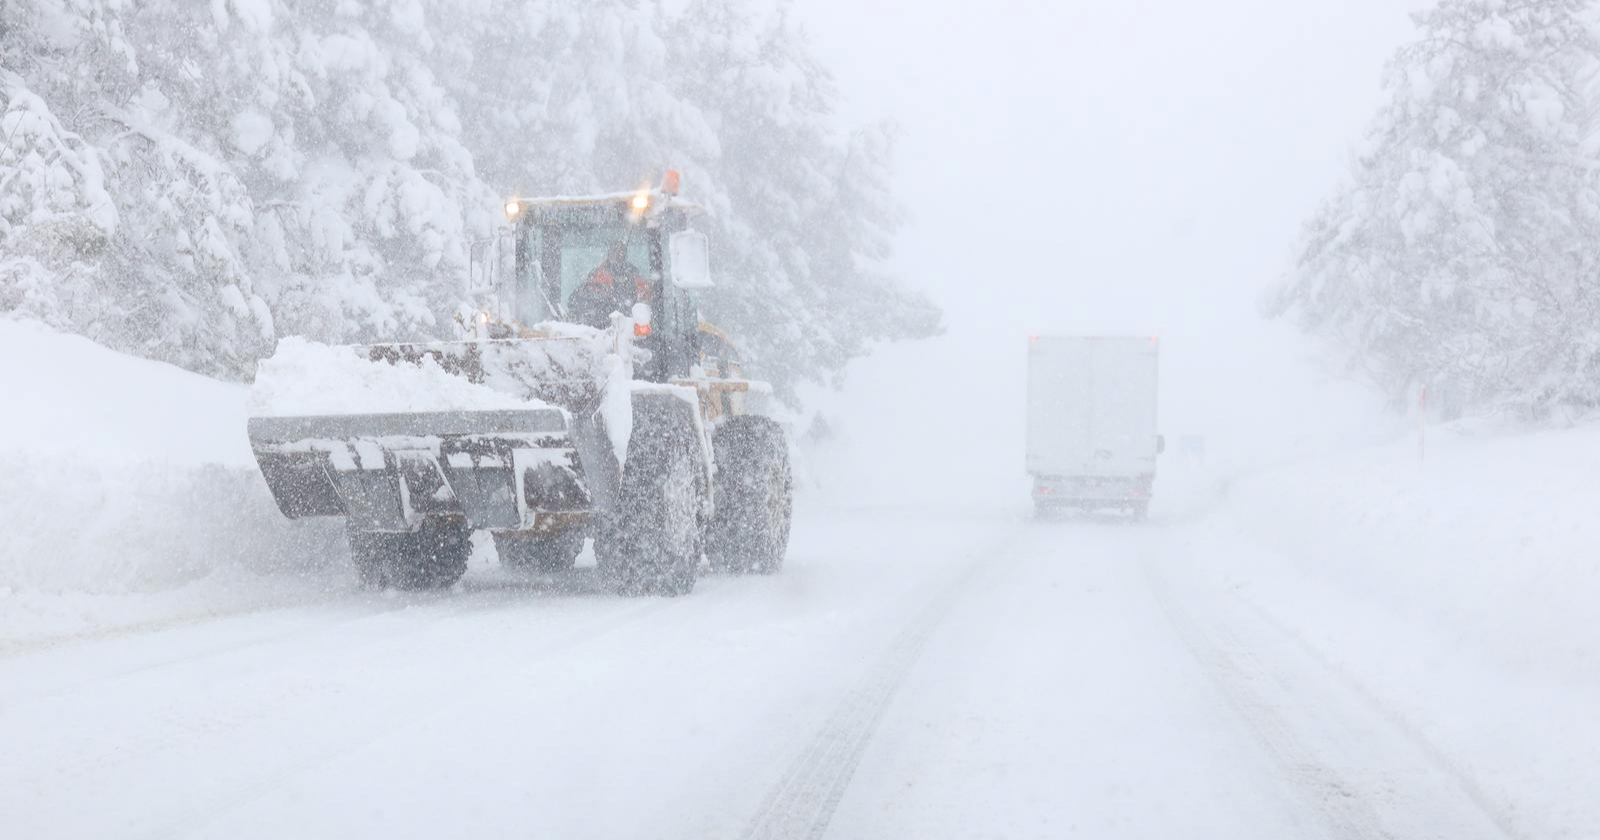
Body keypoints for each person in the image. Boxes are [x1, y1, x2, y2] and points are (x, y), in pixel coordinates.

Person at [567, 240, 650, 328]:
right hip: (600, 329)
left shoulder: (634, 275)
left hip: (629, 328)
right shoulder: (597, 275)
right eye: (615, 251)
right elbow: (577, 298)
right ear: (609, 253)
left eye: (621, 251)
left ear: (625, 254)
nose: (618, 255)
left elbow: (645, 297)